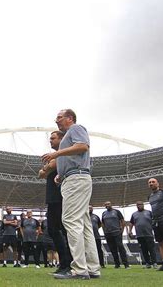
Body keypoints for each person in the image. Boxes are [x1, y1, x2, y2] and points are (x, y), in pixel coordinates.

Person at [42, 109, 100, 280]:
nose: (56, 120)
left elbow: (83, 146)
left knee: (70, 221)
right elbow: (77, 154)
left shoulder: (75, 129)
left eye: (59, 117)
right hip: (75, 177)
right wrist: (62, 173)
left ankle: (79, 269)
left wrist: (57, 153)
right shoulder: (69, 135)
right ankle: (92, 267)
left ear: (70, 118)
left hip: (76, 179)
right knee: (84, 224)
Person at [39, 130, 73, 274]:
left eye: (53, 138)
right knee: (53, 230)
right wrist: (46, 169)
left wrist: (46, 167)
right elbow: (41, 174)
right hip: (53, 198)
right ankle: (64, 263)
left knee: (66, 230)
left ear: (61, 139)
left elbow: (48, 168)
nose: (50, 140)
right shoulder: (57, 156)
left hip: (62, 197)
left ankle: (70, 263)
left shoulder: (64, 153)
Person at [128, 201, 157, 269]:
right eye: (137, 205)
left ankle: (154, 263)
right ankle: (147, 263)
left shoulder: (149, 212)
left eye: (140, 204)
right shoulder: (134, 214)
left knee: (151, 249)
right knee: (144, 250)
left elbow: (154, 221)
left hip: (149, 234)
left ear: (143, 205)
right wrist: (130, 231)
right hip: (139, 235)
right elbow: (131, 223)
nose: (139, 206)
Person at [102, 201, 129, 269]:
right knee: (112, 249)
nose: (107, 205)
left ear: (111, 204)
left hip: (117, 232)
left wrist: (122, 230)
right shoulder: (104, 213)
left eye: (108, 204)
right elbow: (103, 223)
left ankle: (126, 264)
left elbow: (123, 221)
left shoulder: (117, 211)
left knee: (120, 247)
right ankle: (117, 264)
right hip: (108, 233)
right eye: (106, 205)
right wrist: (104, 231)